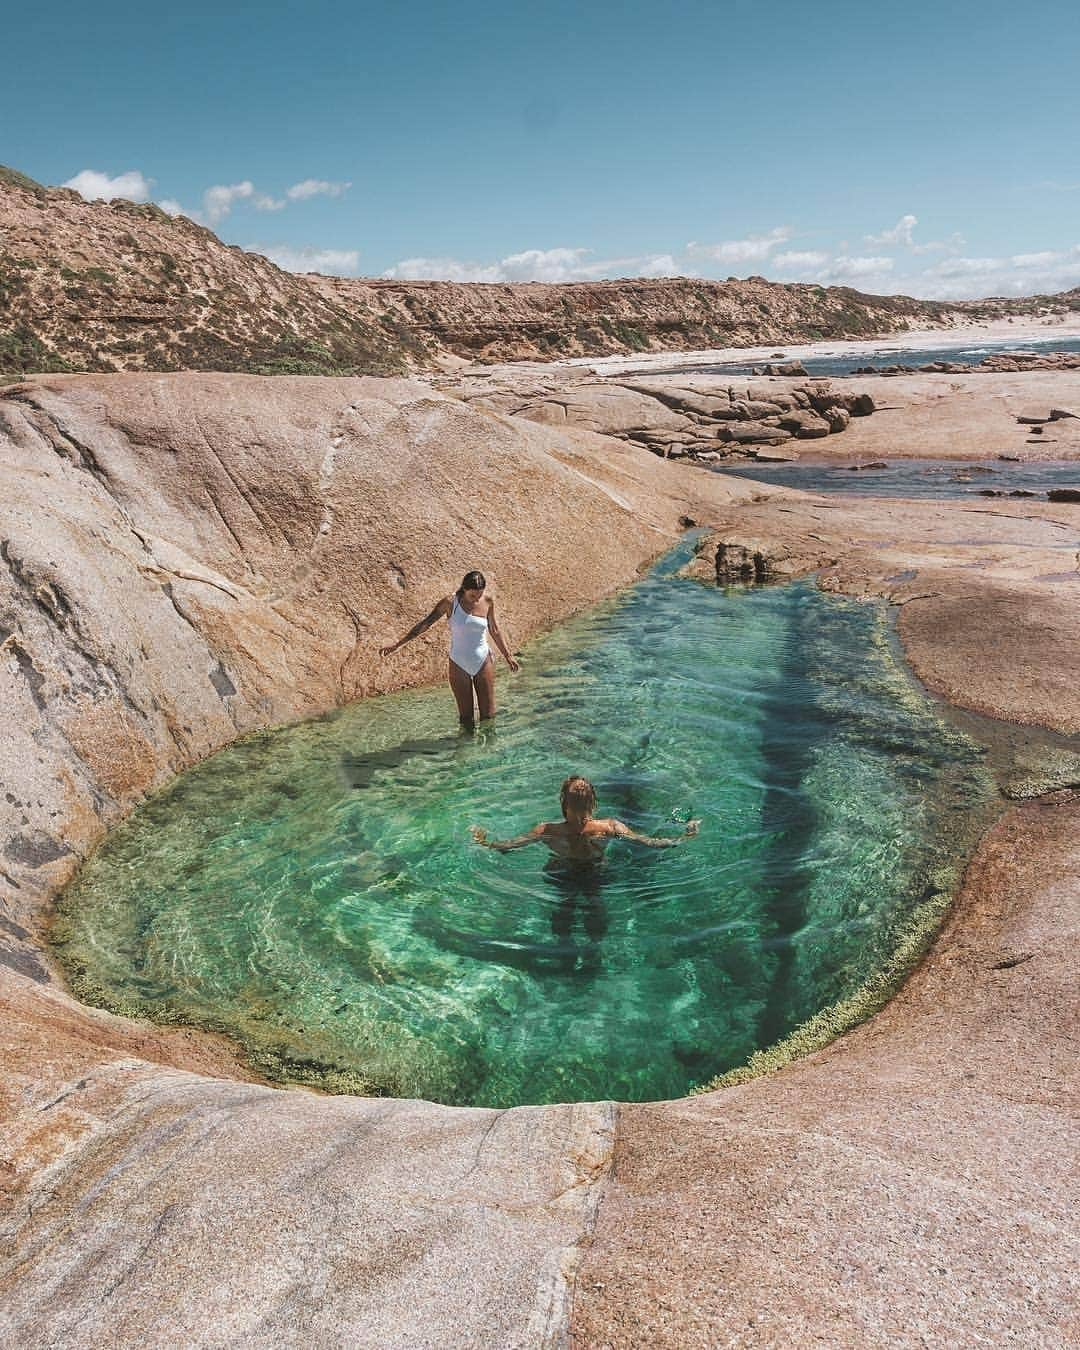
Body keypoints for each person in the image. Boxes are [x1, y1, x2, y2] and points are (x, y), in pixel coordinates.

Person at [472, 776, 699, 974]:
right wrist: (485, 842)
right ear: (568, 800)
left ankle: (591, 948)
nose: (580, 789)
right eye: (577, 788)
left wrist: (685, 837)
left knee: (589, 907)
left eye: (583, 788)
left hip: (588, 872)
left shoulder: (606, 827)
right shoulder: (551, 830)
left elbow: (649, 842)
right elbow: (509, 846)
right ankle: (570, 948)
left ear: (587, 799)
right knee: (570, 909)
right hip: (568, 872)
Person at [380, 569, 519, 726]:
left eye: (479, 594)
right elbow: (425, 624)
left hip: (483, 661)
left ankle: (488, 749)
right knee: (466, 719)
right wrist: (398, 644)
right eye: (472, 595)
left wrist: (508, 656)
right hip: (458, 663)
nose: (476, 599)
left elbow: (494, 630)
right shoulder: (450, 603)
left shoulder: (487, 601)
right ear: (464, 589)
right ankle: (466, 749)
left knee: (488, 717)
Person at [471, 775, 700, 859]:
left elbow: (508, 846)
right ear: (594, 803)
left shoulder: (546, 831)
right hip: (596, 875)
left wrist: (483, 841)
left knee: (562, 920)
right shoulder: (611, 827)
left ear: (563, 803)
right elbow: (651, 843)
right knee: (596, 914)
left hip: (560, 876)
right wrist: (686, 835)